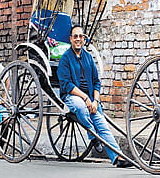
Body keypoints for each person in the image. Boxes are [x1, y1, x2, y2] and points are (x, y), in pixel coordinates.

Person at [57, 25, 132, 168]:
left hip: (91, 99)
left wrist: (96, 101)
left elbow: (97, 82)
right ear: (71, 39)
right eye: (75, 36)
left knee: (102, 125)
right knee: (81, 107)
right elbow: (66, 84)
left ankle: (117, 157)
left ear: (84, 39)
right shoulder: (65, 59)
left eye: (81, 36)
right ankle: (93, 137)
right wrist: (85, 98)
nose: (78, 39)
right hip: (73, 97)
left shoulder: (88, 57)